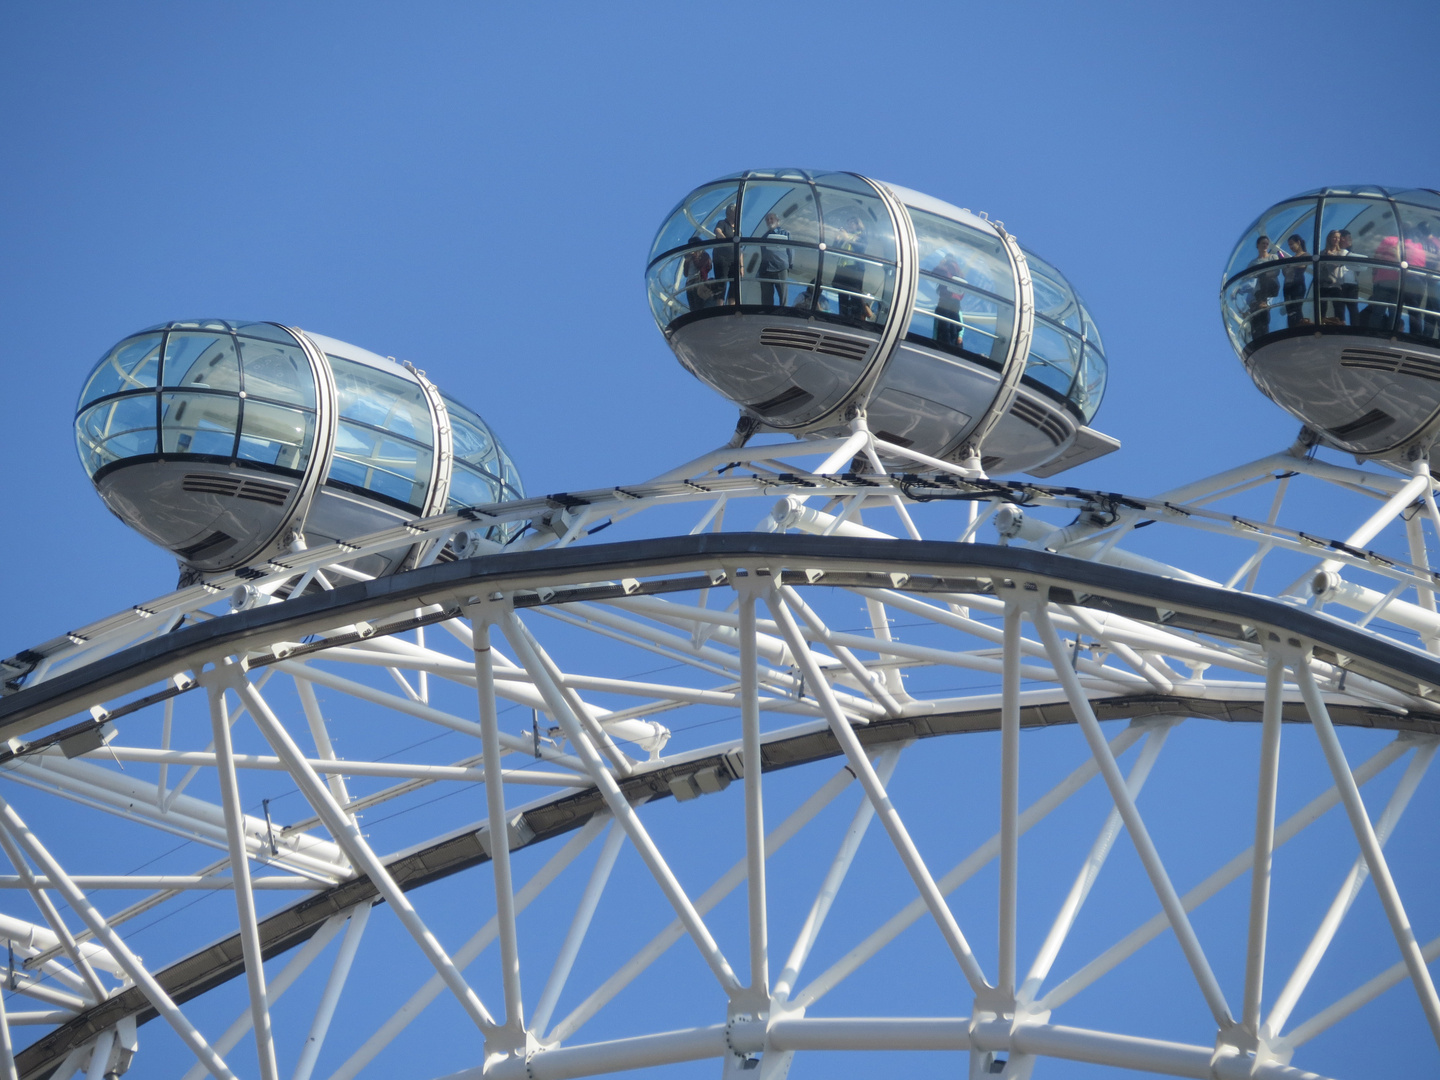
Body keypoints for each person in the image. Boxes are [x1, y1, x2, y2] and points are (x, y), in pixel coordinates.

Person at [832, 213, 872, 322]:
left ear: (858, 225)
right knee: (842, 295)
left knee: (855, 295)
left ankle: (857, 319)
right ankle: (842, 317)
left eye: (852, 223)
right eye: (848, 224)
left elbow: (860, 249)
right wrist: (836, 239)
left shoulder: (862, 236)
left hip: (855, 270)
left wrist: (847, 238)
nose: (849, 226)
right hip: (842, 270)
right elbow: (834, 253)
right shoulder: (845, 237)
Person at [1247, 234, 1281, 340]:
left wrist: (1263, 273)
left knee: (1263, 276)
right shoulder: (1253, 262)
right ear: (1258, 245)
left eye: (1267, 244)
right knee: (1259, 313)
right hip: (1259, 290)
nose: (1265, 245)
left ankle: (1263, 302)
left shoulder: (1273, 257)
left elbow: (1276, 271)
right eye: (1263, 243)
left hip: (1272, 286)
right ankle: (1259, 335)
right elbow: (1250, 277)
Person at [930, 251, 965, 349]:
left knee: (943, 329)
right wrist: (960, 336)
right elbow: (962, 293)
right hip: (955, 306)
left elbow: (934, 273)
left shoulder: (945, 268)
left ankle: (939, 347)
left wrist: (941, 264)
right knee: (954, 331)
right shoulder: (960, 273)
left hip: (945, 304)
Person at [757, 212, 792, 308]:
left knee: (783, 298)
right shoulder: (764, 237)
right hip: (766, 270)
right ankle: (767, 316)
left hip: (780, 268)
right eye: (767, 220)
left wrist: (789, 264)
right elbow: (763, 255)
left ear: (777, 220)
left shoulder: (785, 234)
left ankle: (783, 317)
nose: (769, 221)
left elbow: (790, 250)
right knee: (766, 300)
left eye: (771, 218)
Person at [1366, 236, 1402, 329]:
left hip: (1382, 281)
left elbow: (1377, 256)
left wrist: (1374, 276)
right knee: (1393, 313)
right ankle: (1391, 335)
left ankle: (1373, 333)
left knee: (1378, 312)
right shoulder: (1410, 244)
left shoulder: (1388, 240)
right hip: (1396, 283)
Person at [1282, 233, 1312, 328]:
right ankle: (1291, 327)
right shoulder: (1292, 259)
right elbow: (1285, 273)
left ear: (1298, 242)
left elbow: (1301, 266)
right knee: (1289, 310)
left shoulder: (1305, 254)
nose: (1290, 247)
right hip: (1287, 284)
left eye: (1292, 244)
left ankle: (1299, 325)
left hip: (1297, 284)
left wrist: (1289, 264)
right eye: (1289, 245)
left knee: (1297, 307)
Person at [711, 204, 739, 305]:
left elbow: (740, 247)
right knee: (722, 282)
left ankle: (732, 306)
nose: (737, 212)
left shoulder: (737, 228)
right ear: (730, 212)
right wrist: (726, 241)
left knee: (734, 284)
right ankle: (720, 306)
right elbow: (717, 231)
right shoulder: (722, 223)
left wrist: (741, 266)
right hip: (722, 259)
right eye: (735, 210)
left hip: (733, 260)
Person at [1319, 230, 1348, 324]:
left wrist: (1331, 256)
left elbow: (1339, 263)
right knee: (1322, 306)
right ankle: (1321, 322)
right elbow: (1319, 267)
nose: (1336, 239)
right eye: (1334, 237)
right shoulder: (1322, 252)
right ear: (1329, 238)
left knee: (1339, 306)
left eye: (1338, 237)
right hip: (1323, 283)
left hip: (1336, 284)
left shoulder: (1341, 252)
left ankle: (1340, 324)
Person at [682, 237, 713, 313]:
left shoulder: (704, 255)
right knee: (692, 306)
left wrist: (694, 256)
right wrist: (687, 261)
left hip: (699, 281)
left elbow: (699, 266)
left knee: (699, 304)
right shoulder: (689, 258)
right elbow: (685, 273)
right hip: (689, 283)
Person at [1337, 229, 1360, 325]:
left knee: (1349, 308)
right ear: (1342, 239)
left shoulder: (1349, 254)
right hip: (1341, 284)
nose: (1351, 240)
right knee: (1341, 308)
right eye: (1349, 237)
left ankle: (1353, 327)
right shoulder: (1335, 253)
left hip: (1349, 284)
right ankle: (1343, 326)